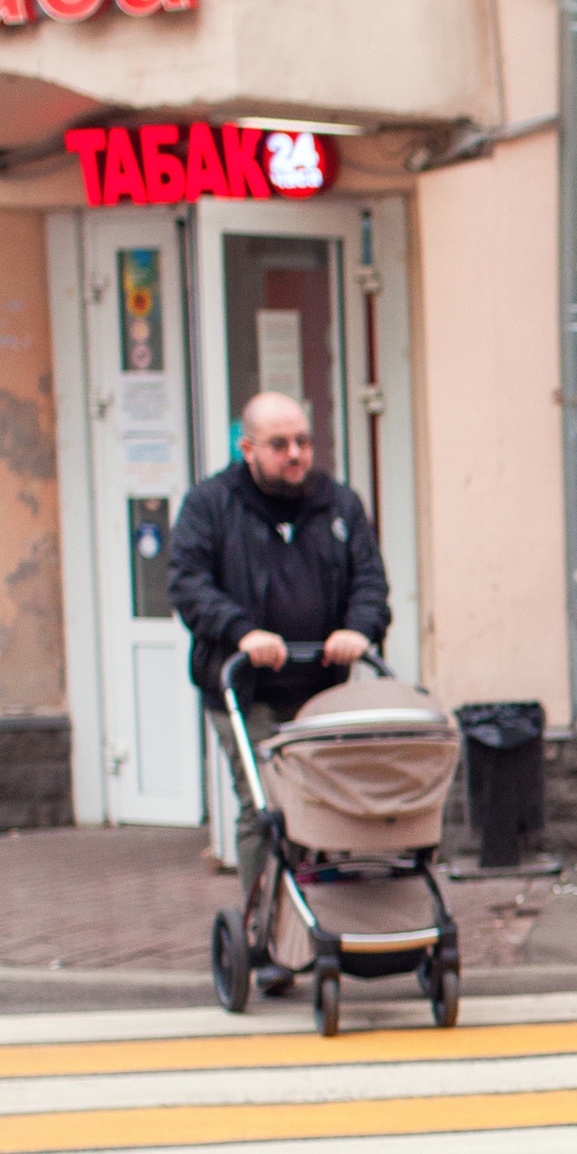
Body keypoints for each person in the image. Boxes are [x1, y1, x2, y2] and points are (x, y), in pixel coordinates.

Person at [169, 392, 390, 930]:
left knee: (329, 805)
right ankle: (265, 930)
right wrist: (242, 633)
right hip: (245, 693)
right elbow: (188, 584)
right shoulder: (210, 505)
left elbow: (369, 582)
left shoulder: (339, 506)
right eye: (279, 445)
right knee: (267, 809)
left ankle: (330, 920)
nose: (295, 454)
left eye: (303, 441)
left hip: (320, 690)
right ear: (246, 449)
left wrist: (358, 631)